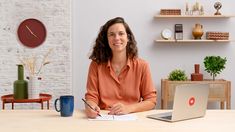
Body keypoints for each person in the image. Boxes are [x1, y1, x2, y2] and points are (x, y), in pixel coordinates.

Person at [84, 17, 157, 118]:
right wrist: (91, 107)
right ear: (106, 39)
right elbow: (91, 97)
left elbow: (151, 101)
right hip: (103, 119)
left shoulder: (142, 66)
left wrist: (129, 108)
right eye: (111, 34)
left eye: (121, 33)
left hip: (132, 119)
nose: (117, 38)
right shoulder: (96, 65)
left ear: (128, 37)